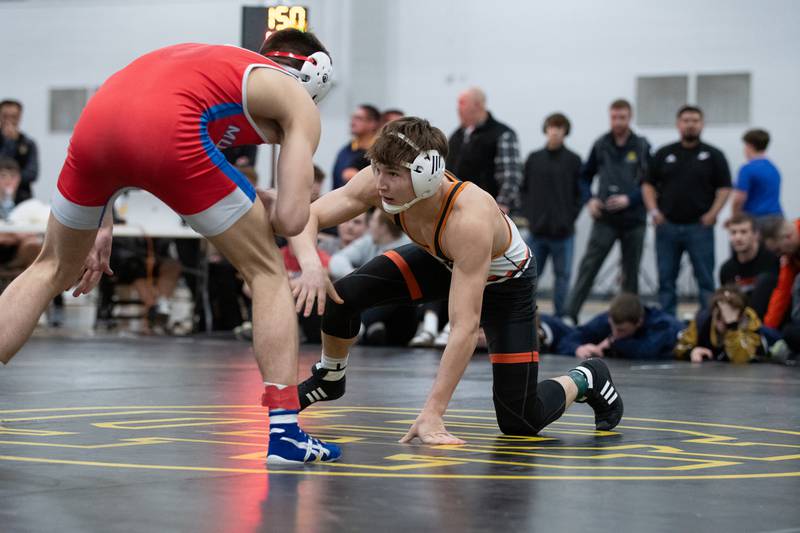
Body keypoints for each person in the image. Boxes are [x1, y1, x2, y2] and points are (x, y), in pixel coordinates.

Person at [0, 29, 340, 464]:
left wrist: (101, 219)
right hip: (170, 129)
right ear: (314, 78)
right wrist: (266, 204)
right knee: (267, 271)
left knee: (50, 266)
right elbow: (292, 219)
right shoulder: (296, 100)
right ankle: (286, 435)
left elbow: (129, 122)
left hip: (97, 122)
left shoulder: (226, 67)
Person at [288, 117, 624, 443]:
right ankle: (330, 376)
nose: (381, 184)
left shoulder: (469, 217)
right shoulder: (378, 182)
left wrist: (433, 411)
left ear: (425, 176)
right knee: (343, 294)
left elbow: (464, 327)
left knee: (520, 420)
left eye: (392, 174)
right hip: (443, 261)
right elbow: (310, 215)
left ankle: (587, 377)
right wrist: (311, 265)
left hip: (505, 285)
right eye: (378, 170)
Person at [564, 99, 651, 322]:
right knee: (589, 266)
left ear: (630, 117)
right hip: (605, 217)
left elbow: (651, 183)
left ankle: (630, 320)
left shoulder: (641, 145)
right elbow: (584, 177)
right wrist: (590, 200)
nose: (618, 121)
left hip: (634, 219)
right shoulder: (601, 144)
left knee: (630, 273)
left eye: (622, 117)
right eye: (614, 117)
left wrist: (630, 199)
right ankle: (569, 314)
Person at [643, 105, 732, 315]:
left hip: (699, 228)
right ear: (678, 124)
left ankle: (707, 324)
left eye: (695, 120)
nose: (690, 124)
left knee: (705, 281)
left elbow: (725, 188)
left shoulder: (713, 155)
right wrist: (654, 212)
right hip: (668, 227)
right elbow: (647, 184)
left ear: (702, 124)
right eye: (686, 120)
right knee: (666, 281)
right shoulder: (664, 153)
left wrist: (713, 214)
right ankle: (667, 324)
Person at [520, 112, 582, 317]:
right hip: (537, 231)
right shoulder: (534, 159)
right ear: (546, 130)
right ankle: (526, 316)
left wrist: (569, 217)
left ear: (565, 131)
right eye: (551, 127)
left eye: (559, 128)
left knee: (563, 277)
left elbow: (579, 194)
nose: (555, 132)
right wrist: (530, 216)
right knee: (529, 275)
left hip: (564, 233)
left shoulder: (573, 160)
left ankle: (560, 318)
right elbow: (524, 190)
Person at [446, 87, 522, 214]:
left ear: (478, 105)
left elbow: (511, 175)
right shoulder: (456, 136)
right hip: (457, 210)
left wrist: (501, 206)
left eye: (462, 103)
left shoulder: (503, 134)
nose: (458, 108)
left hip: (488, 212)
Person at [547, 293, 683, 360]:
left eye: (622, 330)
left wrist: (613, 342)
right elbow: (569, 338)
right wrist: (578, 348)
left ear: (639, 323)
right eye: (613, 327)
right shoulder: (606, 320)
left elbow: (646, 350)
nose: (615, 332)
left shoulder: (661, 324)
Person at [675, 286, 768, 364]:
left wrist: (732, 326)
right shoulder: (703, 320)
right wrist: (691, 352)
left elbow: (741, 359)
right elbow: (679, 348)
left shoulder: (750, 322)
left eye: (728, 318)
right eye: (720, 316)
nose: (723, 322)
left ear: (740, 316)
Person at [719, 213, 779, 319]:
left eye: (743, 232)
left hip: (769, 320)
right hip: (740, 323)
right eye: (733, 233)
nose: (738, 237)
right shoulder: (726, 269)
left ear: (756, 235)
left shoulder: (772, 260)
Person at [730, 129, 783, 227]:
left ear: (749, 146)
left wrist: (734, 218)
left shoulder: (747, 169)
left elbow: (739, 198)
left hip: (756, 220)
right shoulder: (773, 168)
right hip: (777, 219)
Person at [0, 158, 41, 270]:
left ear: (19, 179)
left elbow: (33, 229)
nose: (8, 181)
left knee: (32, 244)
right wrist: (14, 235)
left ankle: (32, 282)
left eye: (13, 176)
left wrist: (12, 236)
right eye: (3, 176)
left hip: (17, 250)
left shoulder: (26, 200)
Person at [761, 217, 800, 330]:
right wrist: (767, 329)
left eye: (778, 250)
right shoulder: (789, 255)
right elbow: (783, 291)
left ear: (789, 236)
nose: (779, 255)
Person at [331, 104, 380, 190]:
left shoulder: (379, 153)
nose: (353, 122)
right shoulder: (344, 152)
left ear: (372, 123)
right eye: (353, 118)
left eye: (359, 118)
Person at [0, 100, 39, 203]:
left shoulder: (28, 144)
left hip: (21, 198)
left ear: (19, 117)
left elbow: (32, 173)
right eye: (5, 116)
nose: (9, 121)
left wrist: (11, 180)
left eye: (13, 117)